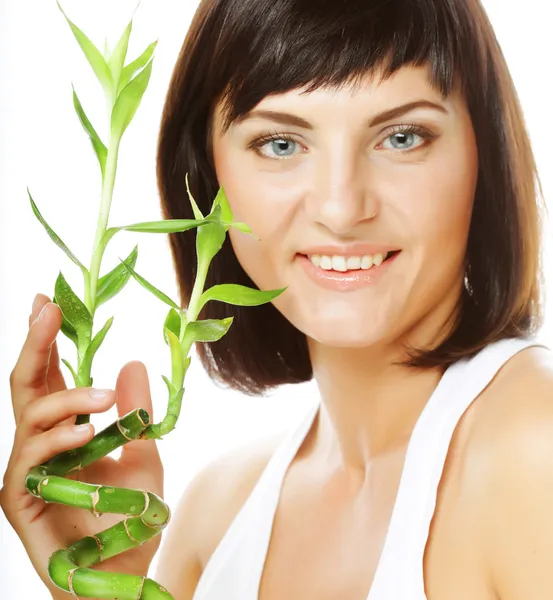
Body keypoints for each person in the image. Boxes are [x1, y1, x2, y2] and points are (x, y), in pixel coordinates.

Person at [1, 0, 551, 598]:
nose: (342, 209)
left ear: (484, 153)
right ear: (207, 180)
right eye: (282, 144)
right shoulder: (215, 514)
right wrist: (87, 590)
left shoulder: (533, 450)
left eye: (401, 136)